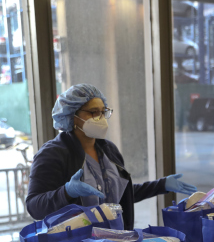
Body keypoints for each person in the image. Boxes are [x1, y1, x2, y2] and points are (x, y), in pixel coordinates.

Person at [26, 84, 197, 229]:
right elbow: (35, 207)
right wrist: (67, 192)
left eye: (103, 111)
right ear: (72, 116)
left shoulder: (108, 150)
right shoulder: (53, 154)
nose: (100, 118)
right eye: (93, 112)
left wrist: (162, 185)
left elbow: (119, 194)